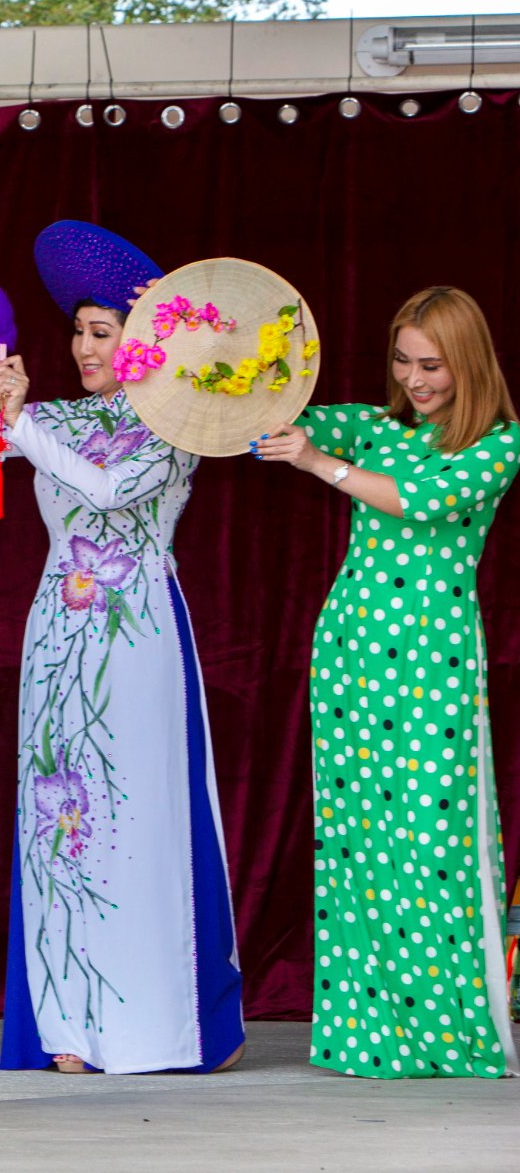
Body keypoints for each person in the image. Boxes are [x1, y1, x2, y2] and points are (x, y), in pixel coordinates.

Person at [0, 223, 244, 1075]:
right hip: (57, 639)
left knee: (136, 822)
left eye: (100, 332)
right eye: (77, 331)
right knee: (62, 826)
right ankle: (73, 1024)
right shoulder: (59, 418)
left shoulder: (177, 429)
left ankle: (156, 1025)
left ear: (142, 342)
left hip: (141, 637)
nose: (82, 346)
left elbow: (109, 489)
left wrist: (21, 423)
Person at [258, 285, 518, 1078]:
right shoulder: (375, 427)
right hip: (351, 653)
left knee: (434, 841)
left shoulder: (499, 443)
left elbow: (417, 502)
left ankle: (454, 1032)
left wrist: (317, 462)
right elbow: (279, 412)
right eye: (403, 361)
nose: (415, 378)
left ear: (467, 362)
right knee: (358, 840)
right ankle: (372, 1034)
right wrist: (197, 344)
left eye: (432, 364)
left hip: (432, 663)